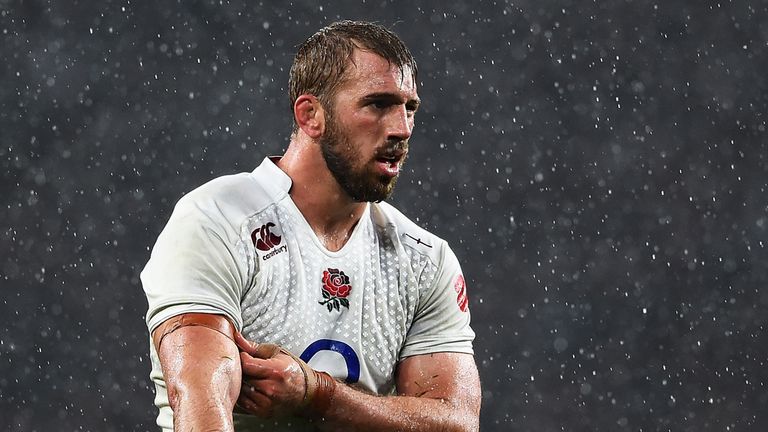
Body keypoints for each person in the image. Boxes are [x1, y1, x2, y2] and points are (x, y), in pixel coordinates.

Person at [141, 20, 481, 431]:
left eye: (409, 108)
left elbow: (456, 422)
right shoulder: (217, 221)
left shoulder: (424, 260)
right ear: (310, 115)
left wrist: (318, 394)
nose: (401, 129)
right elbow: (199, 404)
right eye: (377, 105)